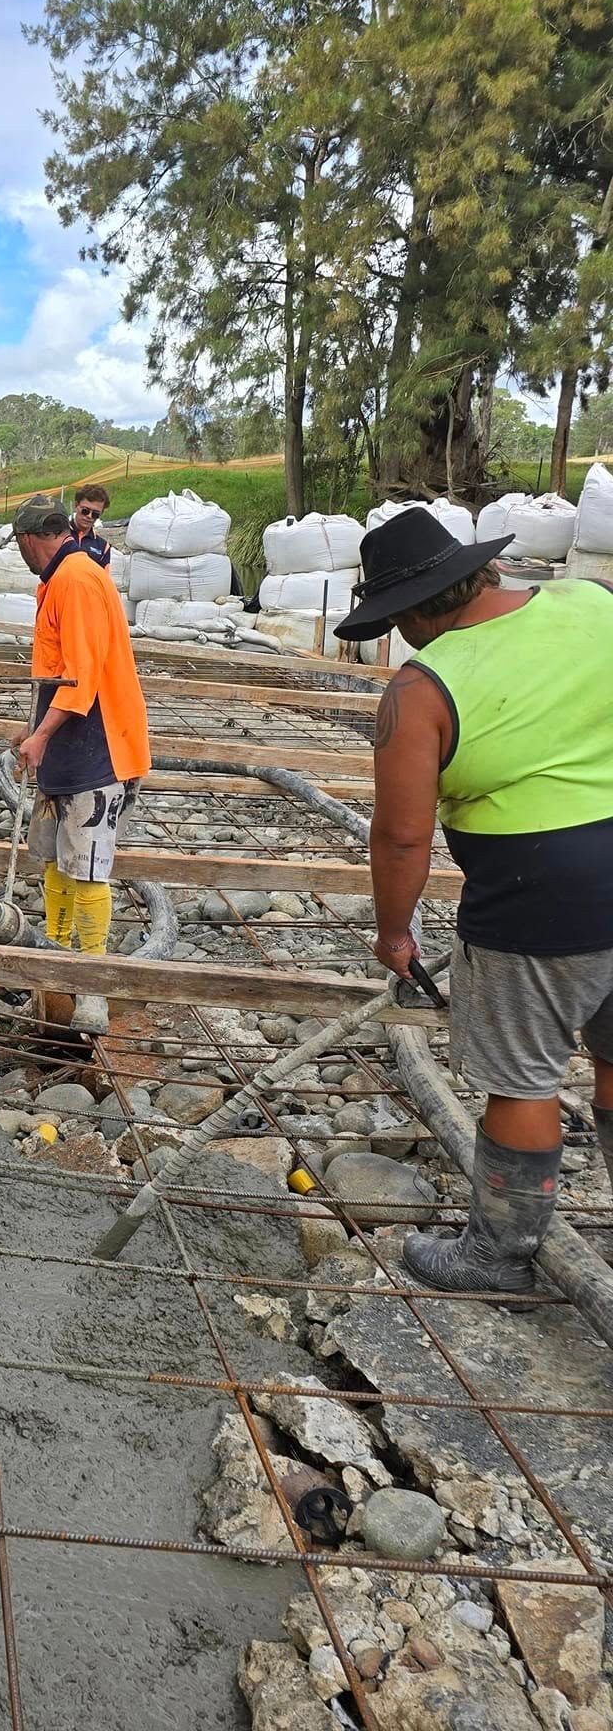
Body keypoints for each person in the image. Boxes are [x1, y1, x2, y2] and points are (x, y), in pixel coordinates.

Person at [335, 506, 613, 1293]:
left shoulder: (424, 688)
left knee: (522, 1079)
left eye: (399, 620)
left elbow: (399, 839)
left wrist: (396, 935)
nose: (404, 636)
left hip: (539, 899)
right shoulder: (591, 603)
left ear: (423, 606)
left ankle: (500, 1254)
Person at [10, 496, 149, 954]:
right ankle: (55, 947)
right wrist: (33, 729)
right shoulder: (57, 582)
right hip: (67, 741)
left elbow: (82, 677)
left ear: (31, 540)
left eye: (19, 545)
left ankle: (89, 971)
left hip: (99, 744)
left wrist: (42, 735)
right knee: (56, 857)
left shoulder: (77, 580)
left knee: (87, 865)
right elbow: (57, 668)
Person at [71, 485, 112, 569]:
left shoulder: (103, 547)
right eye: (85, 511)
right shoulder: (58, 534)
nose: (89, 516)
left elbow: (104, 578)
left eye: (95, 514)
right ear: (76, 505)